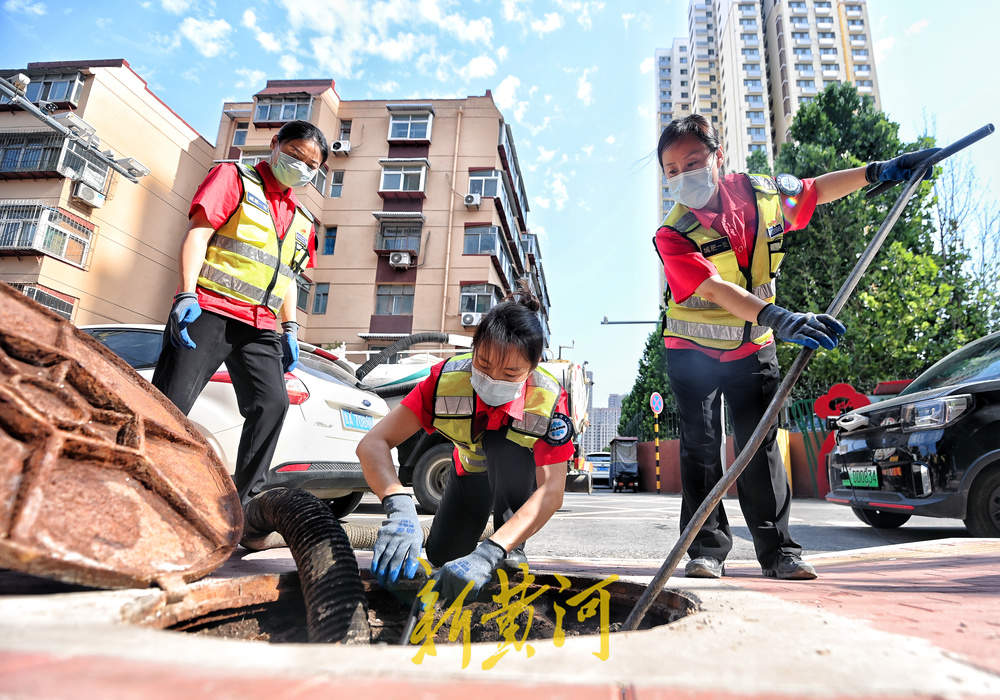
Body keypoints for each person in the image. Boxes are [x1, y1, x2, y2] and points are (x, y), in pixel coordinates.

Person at [654, 114, 937, 580]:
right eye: (671, 170)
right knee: (701, 447)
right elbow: (716, 289)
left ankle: (779, 551)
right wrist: (781, 317)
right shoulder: (673, 233)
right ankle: (705, 549)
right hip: (692, 350)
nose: (683, 175)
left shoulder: (762, 194)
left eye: (693, 161)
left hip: (755, 345)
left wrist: (881, 170)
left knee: (760, 444)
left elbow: (816, 190)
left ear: (718, 157)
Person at [356, 284, 576, 606]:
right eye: (484, 365)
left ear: (533, 366)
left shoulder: (547, 399)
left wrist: (492, 550)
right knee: (445, 560)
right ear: (473, 349)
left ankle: (509, 552)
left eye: (511, 372)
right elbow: (374, 443)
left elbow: (552, 491)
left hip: (516, 478)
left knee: (506, 450)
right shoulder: (445, 381)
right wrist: (397, 504)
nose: (493, 379)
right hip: (469, 472)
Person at [152, 120, 326, 503]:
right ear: (276, 144)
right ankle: (145, 484)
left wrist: (291, 328)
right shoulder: (234, 177)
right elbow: (199, 232)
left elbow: (289, 277)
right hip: (210, 310)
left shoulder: (301, 218)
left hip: (261, 323)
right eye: (296, 155)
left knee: (272, 404)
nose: (301, 166)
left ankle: (243, 506)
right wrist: (185, 295)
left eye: (311, 165)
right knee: (170, 404)